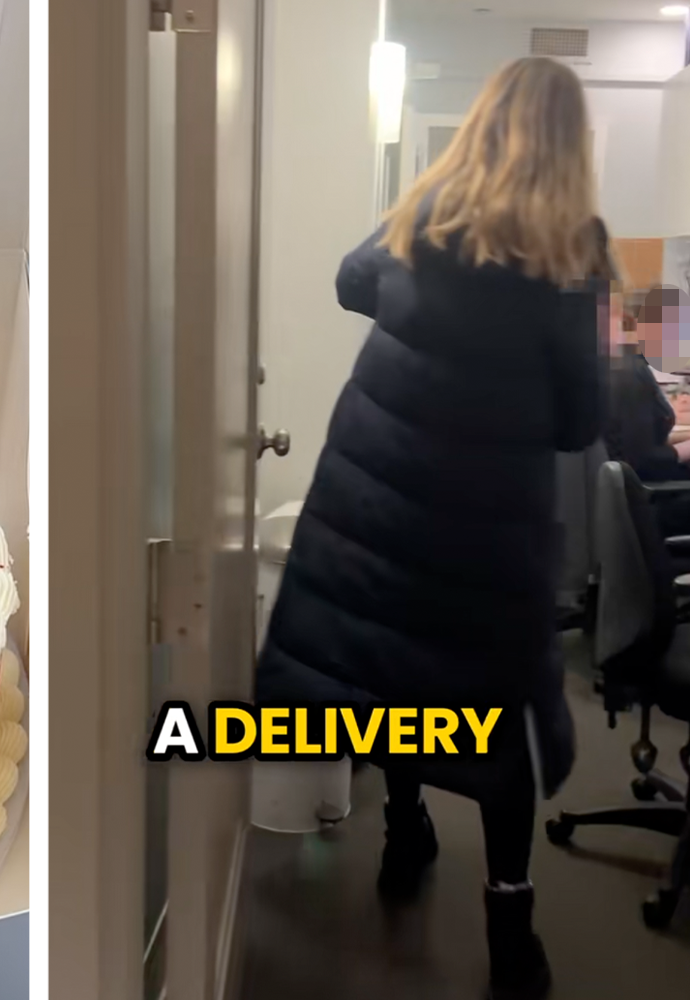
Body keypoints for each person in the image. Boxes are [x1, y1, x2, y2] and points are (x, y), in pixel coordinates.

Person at [254, 56, 611, 1000]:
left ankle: (402, 827)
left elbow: (348, 284)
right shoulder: (572, 248)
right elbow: (580, 420)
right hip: (481, 525)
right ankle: (510, 916)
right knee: (489, 718)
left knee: (380, 669)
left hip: (373, 503)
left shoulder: (422, 215)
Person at [603, 286, 690, 536]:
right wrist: (685, 449)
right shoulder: (630, 376)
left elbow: (640, 438)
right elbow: (642, 461)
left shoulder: (630, 367)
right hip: (657, 499)